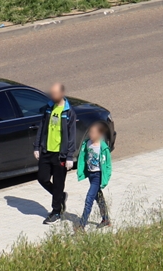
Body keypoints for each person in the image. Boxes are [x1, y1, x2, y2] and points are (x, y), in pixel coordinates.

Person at [33, 82, 77, 224]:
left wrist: (69, 156)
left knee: (58, 184)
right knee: (42, 178)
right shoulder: (49, 108)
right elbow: (42, 127)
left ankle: (56, 212)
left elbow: (71, 136)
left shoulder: (68, 112)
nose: (52, 96)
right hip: (47, 151)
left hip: (60, 155)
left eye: (55, 93)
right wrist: (37, 146)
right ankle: (60, 197)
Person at [75, 120, 111, 230]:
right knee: (98, 197)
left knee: (89, 199)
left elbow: (108, 165)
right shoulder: (87, 144)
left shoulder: (103, 148)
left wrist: (105, 179)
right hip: (90, 175)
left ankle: (82, 225)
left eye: (93, 133)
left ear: (100, 134)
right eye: (89, 132)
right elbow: (83, 157)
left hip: (97, 176)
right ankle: (106, 219)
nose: (90, 134)